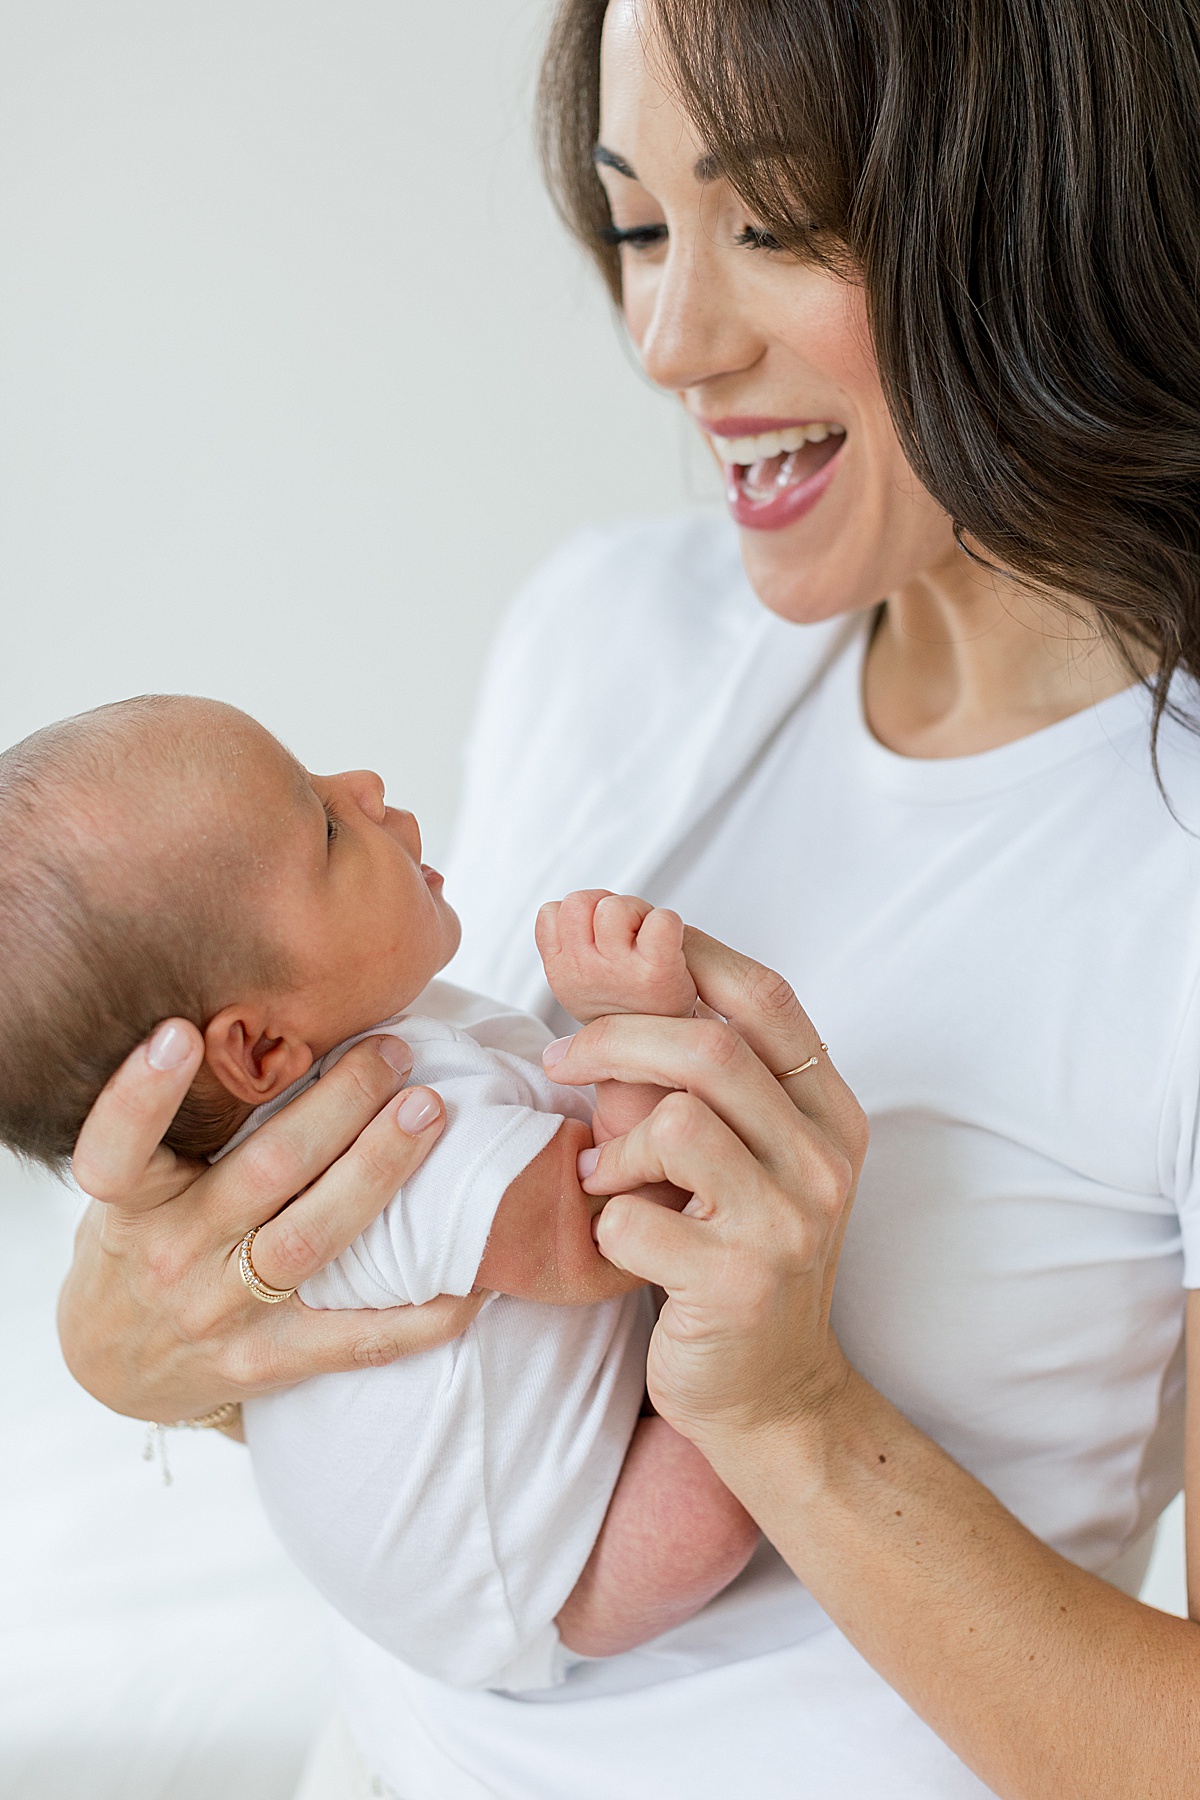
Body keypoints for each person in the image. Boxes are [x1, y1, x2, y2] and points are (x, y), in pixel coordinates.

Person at [53, 0, 1200, 1794]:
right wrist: (159, 1344)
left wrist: (788, 1412)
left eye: (771, 221)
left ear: (1038, 210)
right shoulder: (608, 635)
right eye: (640, 226)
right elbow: (459, 1371)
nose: (668, 340)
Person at [0, 693, 759, 1683]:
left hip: (382, 1563)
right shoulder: (395, 1154)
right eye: (323, 826)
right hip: (501, 1588)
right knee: (715, 1498)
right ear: (263, 1048)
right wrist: (631, 1033)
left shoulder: (367, 1042)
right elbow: (622, 1243)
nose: (363, 786)